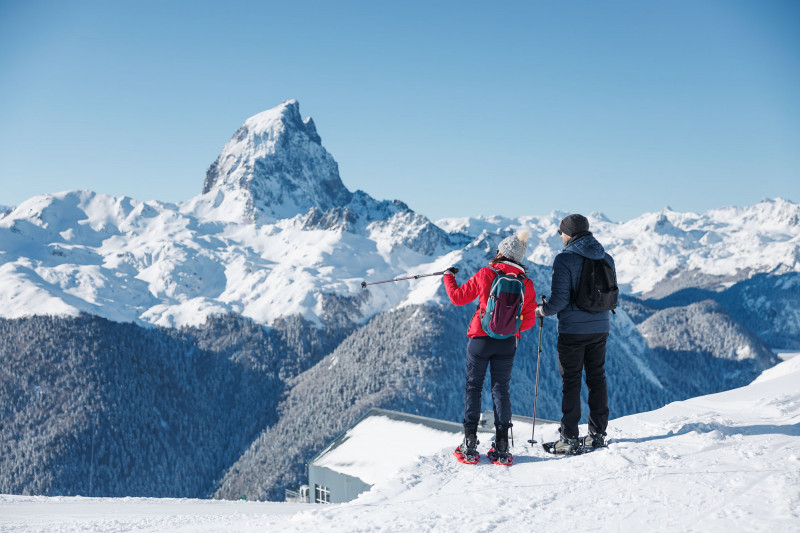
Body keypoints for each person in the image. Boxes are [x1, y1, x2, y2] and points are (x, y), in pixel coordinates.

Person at [443, 230, 538, 462]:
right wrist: (511, 328)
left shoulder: (487, 273)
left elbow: (457, 297)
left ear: (501, 253)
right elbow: (530, 319)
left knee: (473, 388)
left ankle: (469, 442)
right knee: (501, 390)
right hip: (506, 344)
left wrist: (448, 276)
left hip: (480, 341)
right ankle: (502, 445)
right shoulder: (526, 283)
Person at [535, 214, 615, 453]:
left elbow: (559, 301)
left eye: (561, 233)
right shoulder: (606, 257)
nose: (560, 237)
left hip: (572, 331)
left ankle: (569, 438)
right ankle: (597, 434)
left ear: (568, 234)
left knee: (571, 382)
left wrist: (542, 310)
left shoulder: (564, 259)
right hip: (601, 327)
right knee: (597, 379)